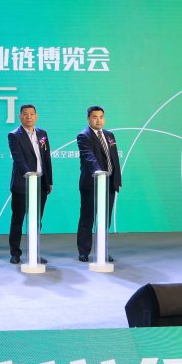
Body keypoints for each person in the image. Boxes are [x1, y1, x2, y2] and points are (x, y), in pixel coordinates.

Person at [7, 104, 53, 264]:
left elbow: (47, 158)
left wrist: (49, 180)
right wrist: (30, 175)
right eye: (25, 114)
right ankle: (15, 253)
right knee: (18, 219)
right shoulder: (14, 135)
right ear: (20, 116)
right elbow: (18, 158)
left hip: (41, 183)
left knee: (36, 220)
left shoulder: (42, 134)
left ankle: (34, 252)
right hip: (22, 184)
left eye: (32, 114)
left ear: (36, 116)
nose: (29, 117)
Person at [76, 105, 122, 262]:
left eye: (101, 117)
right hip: (92, 183)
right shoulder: (83, 136)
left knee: (105, 219)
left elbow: (114, 159)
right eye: (95, 117)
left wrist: (117, 179)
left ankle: (102, 250)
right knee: (87, 218)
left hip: (109, 184)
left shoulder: (110, 135)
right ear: (88, 119)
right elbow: (89, 157)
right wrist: (100, 173)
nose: (98, 120)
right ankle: (84, 251)